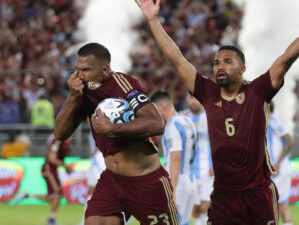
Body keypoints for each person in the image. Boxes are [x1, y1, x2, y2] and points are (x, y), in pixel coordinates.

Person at [135, 0, 299, 224]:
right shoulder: (208, 92)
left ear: (242, 69)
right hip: (223, 195)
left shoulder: (257, 91)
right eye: (216, 62)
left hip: (257, 193)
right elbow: (176, 58)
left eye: (227, 62)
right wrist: (153, 21)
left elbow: (285, 59)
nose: (220, 66)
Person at [54, 42, 179, 225]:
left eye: (86, 70)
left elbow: (156, 123)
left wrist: (112, 129)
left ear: (104, 70)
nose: (79, 75)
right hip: (112, 181)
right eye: (77, 69)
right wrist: (73, 98)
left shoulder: (125, 84)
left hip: (147, 182)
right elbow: (60, 133)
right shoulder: (83, 92)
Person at [151, 90, 197, 225]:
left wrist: (173, 190)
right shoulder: (186, 120)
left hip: (179, 185)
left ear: (163, 107)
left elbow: (176, 157)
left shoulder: (172, 127)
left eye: (156, 110)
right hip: (191, 181)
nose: (155, 115)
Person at [14, 134, 73, 225]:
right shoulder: (57, 141)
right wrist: (66, 166)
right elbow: (52, 158)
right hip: (49, 170)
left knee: (53, 197)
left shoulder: (62, 141)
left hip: (52, 170)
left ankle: (27, 195)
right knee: (58, 194)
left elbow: (58, 157)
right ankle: (51, 221)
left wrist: (65, 167)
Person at [181, 94, 213, 225]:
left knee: (206, 206)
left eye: (196, 98)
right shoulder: (182, 117)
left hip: (207, 168)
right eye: (190, 98)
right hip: (190, 171)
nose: (193, 101)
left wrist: (216, 163)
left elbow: (218, 142)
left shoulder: (211, 117)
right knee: (195, 208)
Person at [266, 102, 296, 225]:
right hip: (272, 170)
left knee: (281, 205)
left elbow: (290, 141)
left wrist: (278, 163)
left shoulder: (274, 121)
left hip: (279, 170)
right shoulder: (265, 123)